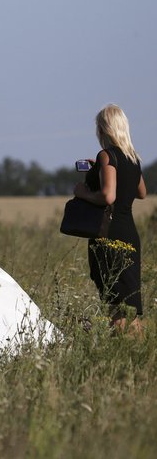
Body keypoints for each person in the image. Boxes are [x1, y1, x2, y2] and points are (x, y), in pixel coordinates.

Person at [73, 104, 146, 333]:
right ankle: (136, 350)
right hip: (130, 234)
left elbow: (108, 196)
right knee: (129, 306)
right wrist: (104, 170)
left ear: (103, 129)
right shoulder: (132, 157)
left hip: (108, 235)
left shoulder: (107, 155)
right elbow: (142, 192)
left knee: (115, 306)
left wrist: (82, 193)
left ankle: (120, 347)